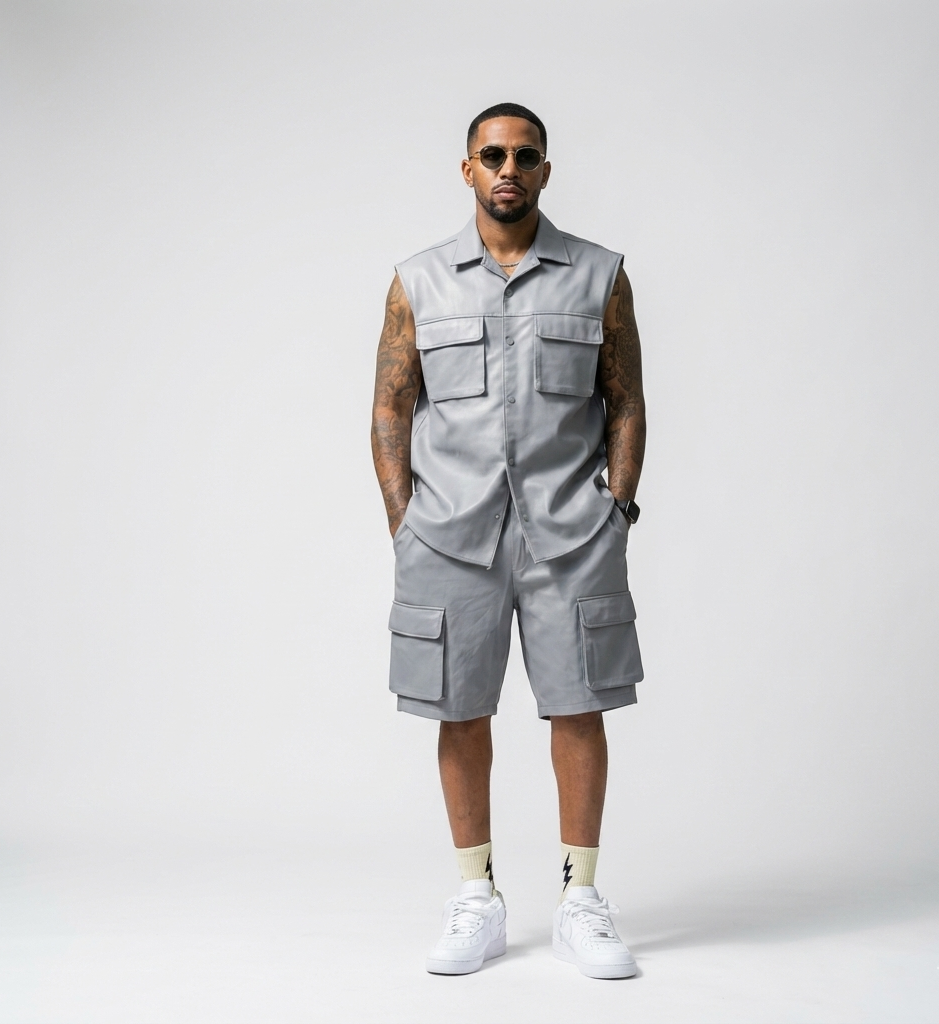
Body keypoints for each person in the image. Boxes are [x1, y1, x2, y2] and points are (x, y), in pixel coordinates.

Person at [371, 102, 646, 979]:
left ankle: (580, 898)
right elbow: (390, 407)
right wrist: (404, 519)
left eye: (525, 157)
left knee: (580, 706)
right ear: (467, 169)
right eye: (492, 156)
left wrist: (618, 509)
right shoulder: (418, 281)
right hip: (450, 537)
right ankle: (476, 897)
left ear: (545, 171)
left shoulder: (600, 274)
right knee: (460, 710)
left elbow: (626, 401)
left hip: (572, 534)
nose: (508, 170)